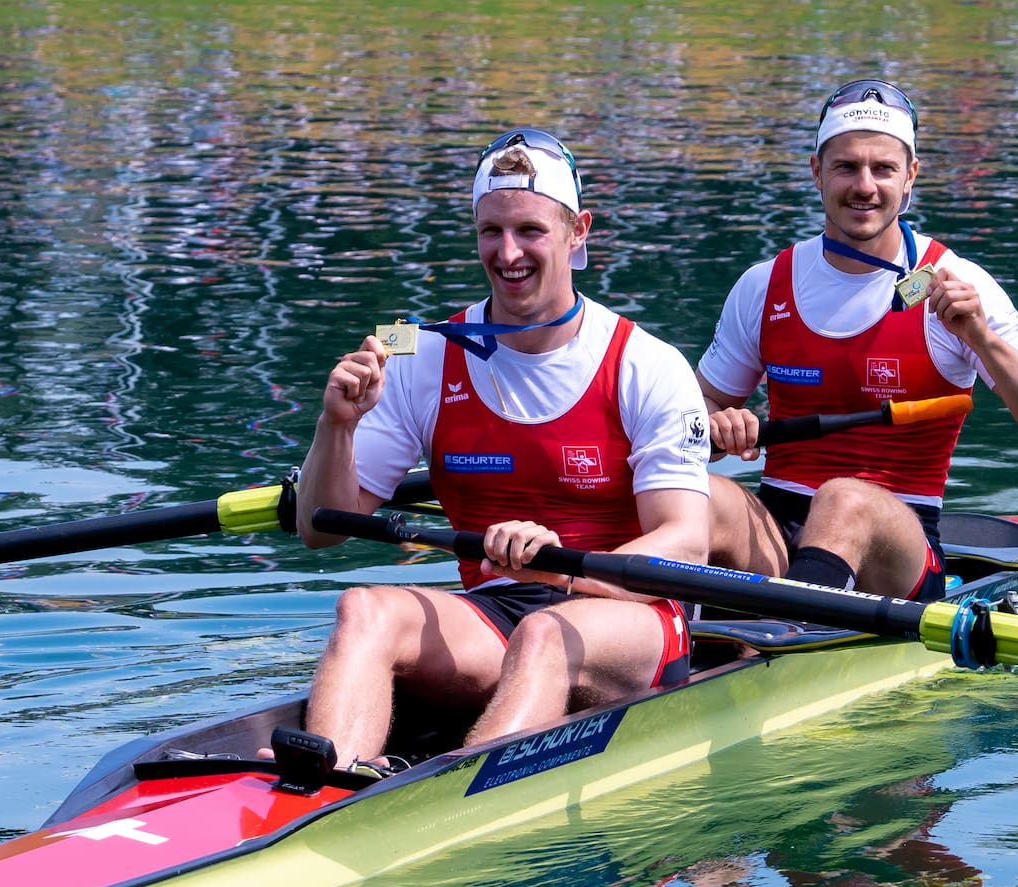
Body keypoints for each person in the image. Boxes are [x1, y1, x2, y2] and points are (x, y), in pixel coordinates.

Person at [284, 127, 712, 773]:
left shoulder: (646, 364)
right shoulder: (423, 353)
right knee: (364, 608)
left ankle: (456, 797)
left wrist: (562, 570)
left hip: (632, 618)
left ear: (578, 232)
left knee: (545, 634)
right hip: (494, 614)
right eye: (492, 231)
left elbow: (686, 544)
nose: (508, 253)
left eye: (530, 231)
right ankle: (328, 782)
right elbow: (321, 529)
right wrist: (336, 424)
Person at [697, 79, 1018, 599]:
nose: (865, 186)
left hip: (899, 543)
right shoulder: (764, 284)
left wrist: (981, 338)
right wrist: (716, 423)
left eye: (883, 169)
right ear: (816, 172)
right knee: (698, 494)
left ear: (909, 178)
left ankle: (790, 631)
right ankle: (663, 631)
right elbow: (693, 413)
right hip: (777, 526)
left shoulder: (954, 282)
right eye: (846, 167)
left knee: (843, 499)